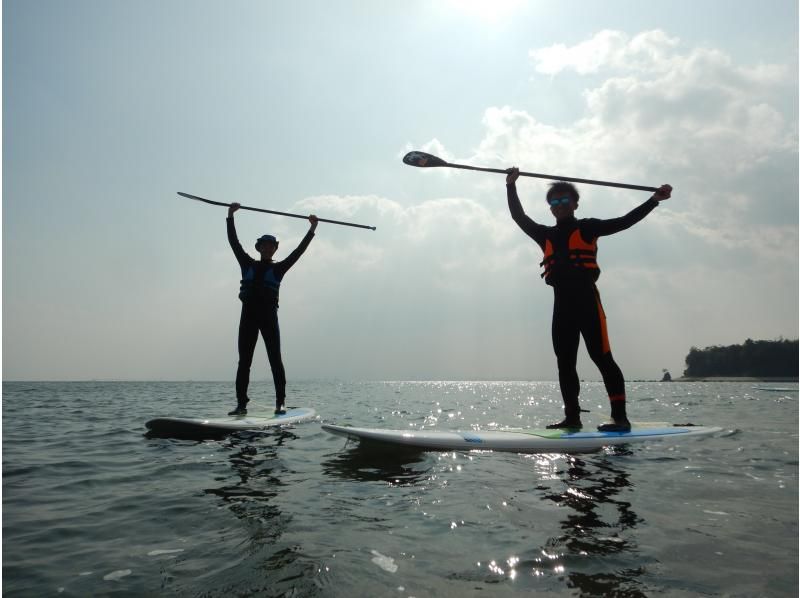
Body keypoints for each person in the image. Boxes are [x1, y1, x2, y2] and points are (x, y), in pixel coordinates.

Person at [505, 168, 672, 431]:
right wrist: (511, 186)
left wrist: (653, 200)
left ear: (574, 204)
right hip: (562, 307)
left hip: (587, 302)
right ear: (550, 208)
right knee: (565, 363)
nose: (559, 206)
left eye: (564, 201)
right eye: (554, 202)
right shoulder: (544, 235)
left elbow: (625, 221)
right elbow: (518, 216)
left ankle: (619, 417)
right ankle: (572, 417)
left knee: (602, 357)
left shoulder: (588, 227)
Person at [226, 202, 318, 416]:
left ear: (275, 249)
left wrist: (312, 229)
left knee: (275, 358)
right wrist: (230, 215)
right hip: (248, 316)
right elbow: (233, 242)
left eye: (271, 246)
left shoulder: (279, 269)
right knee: (244, 361)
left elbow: (299, 252)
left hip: (268, 318)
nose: (267, 248)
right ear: (258, 248)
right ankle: (241, 404)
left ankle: (281, 402)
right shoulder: (246, 263)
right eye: (264, 246)